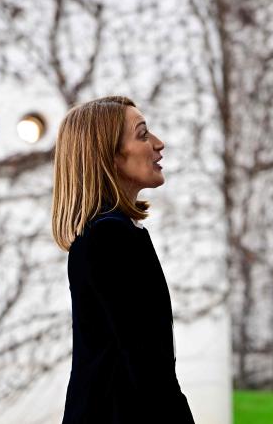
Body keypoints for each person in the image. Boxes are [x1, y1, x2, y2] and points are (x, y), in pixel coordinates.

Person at [52, 96, 194, 423]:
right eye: (143, 135)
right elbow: (148, 368)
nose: (159, 144)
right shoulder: (109, 237)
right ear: (111, 156)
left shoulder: (115, 232)